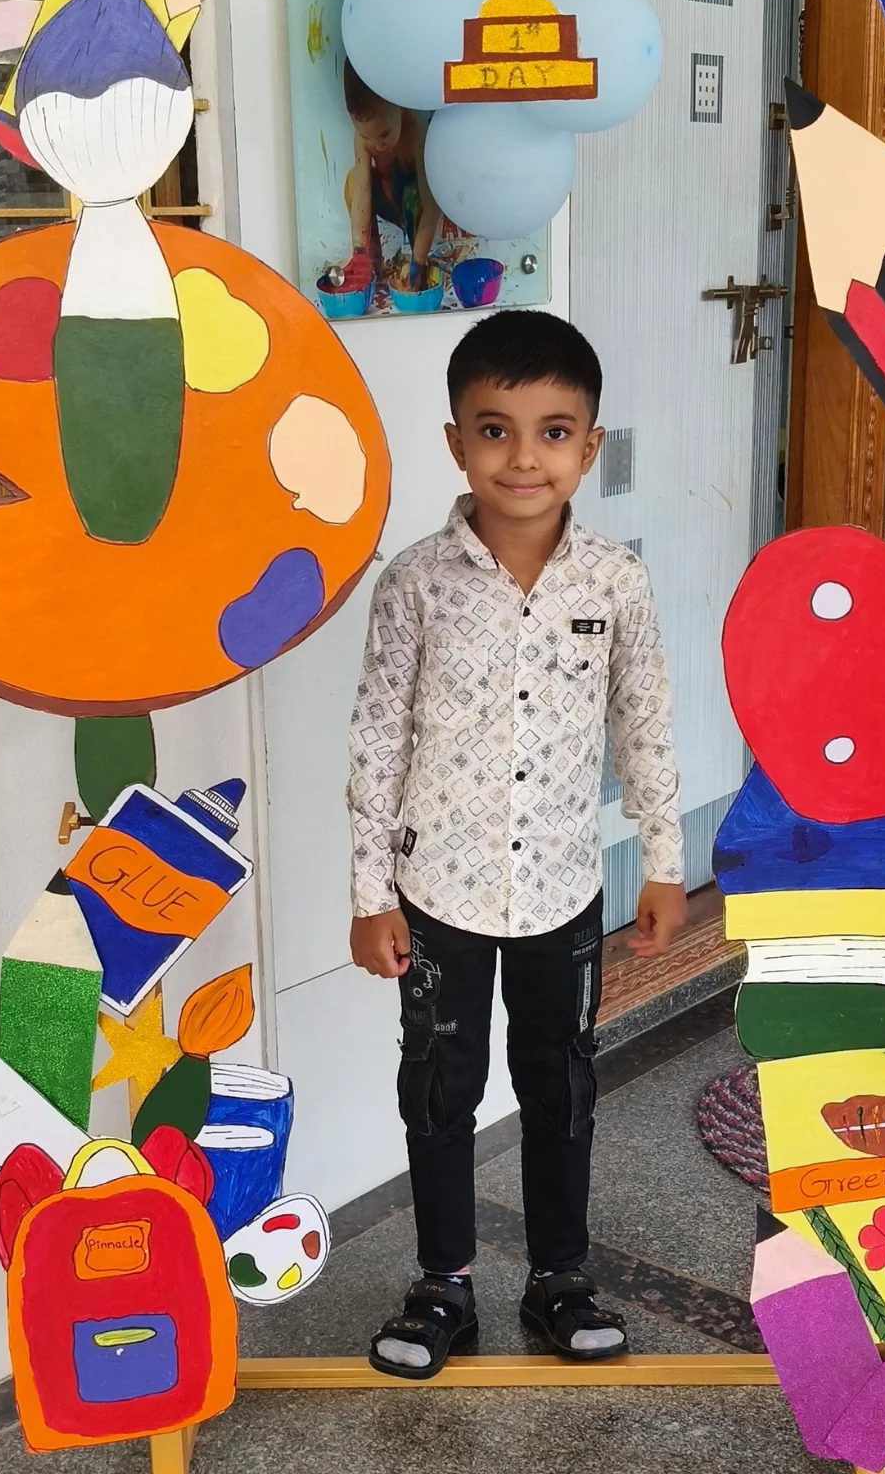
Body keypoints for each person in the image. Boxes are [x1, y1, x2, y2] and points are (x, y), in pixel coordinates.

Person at [347, 310, 687, 1379]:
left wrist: (665, 860)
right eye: (495, 430)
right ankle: (443, 1282)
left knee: (561, 1084)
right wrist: (370, 892)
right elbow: (377, 740)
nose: (523, 457)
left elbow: (644, 723)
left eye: (554, 431)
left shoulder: (614, 582)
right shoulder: (415, 583)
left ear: (590, 446)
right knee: (439, 1088)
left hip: (562, 891)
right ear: (457, 443)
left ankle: (559, 1278)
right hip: (436, 891)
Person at [342, 59, 440, 289]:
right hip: (390, 202)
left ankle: (418, 269)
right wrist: (358, 250)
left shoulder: (416, 130)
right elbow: (362, 196)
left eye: (384, 134)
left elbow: (432, 204)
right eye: (366, 137)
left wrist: (418, 260)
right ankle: (371, 265)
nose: (378, 144)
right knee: (352, 182)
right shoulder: (364, 140)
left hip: (417, 209)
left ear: (398, 104)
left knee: (414, 195)